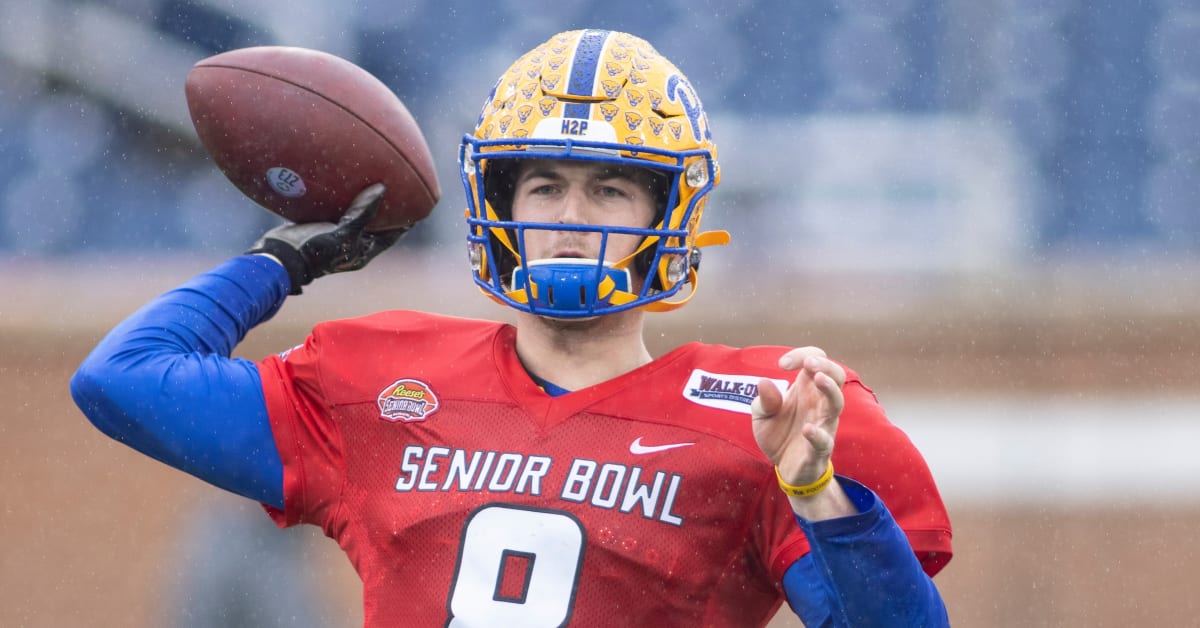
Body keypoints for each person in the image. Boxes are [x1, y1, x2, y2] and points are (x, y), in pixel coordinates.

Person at [72, 29, 953, 627]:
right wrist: (280, 262)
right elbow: (120, 379)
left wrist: (819, 496)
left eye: (609, 188)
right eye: (544, 187)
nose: (572, 216)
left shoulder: (757, 415)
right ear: (501, 208)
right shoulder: (380, 382)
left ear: (668, 217)